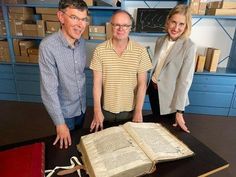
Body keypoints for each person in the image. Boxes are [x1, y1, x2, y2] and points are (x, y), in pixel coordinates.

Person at [89, 10, 152, 132]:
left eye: (125, 25)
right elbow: (97, 84)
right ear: (111, 26)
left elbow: (142, 84)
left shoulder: (140, 51)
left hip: (129, 111)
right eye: (116, 24)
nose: (120, 28)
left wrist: (138, 111)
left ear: (130, 28)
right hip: (105, 110)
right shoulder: (99, 50)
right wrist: (97, 110)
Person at [39, 0, 89, 149]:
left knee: (79, 144)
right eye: (74, 18)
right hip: (65, 112)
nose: (80, 25)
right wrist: (60, 123)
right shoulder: (48, 47)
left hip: (82, 107)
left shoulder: (82, 43)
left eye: (83, 19)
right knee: (67, 149)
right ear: (61, 17)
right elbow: (49, 90)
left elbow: (79, 75)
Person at [147, 4, 196, 133]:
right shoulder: (160, 40)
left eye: (181, 24)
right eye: (173, 22)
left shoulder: (189, 46)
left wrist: (179, 111)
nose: (176, 27)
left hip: (170, 98)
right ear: (168, 21)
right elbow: (158, 65)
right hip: (153, 90)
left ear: (186, 26)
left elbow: (184, 81)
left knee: (167, 131)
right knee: (156, 123)